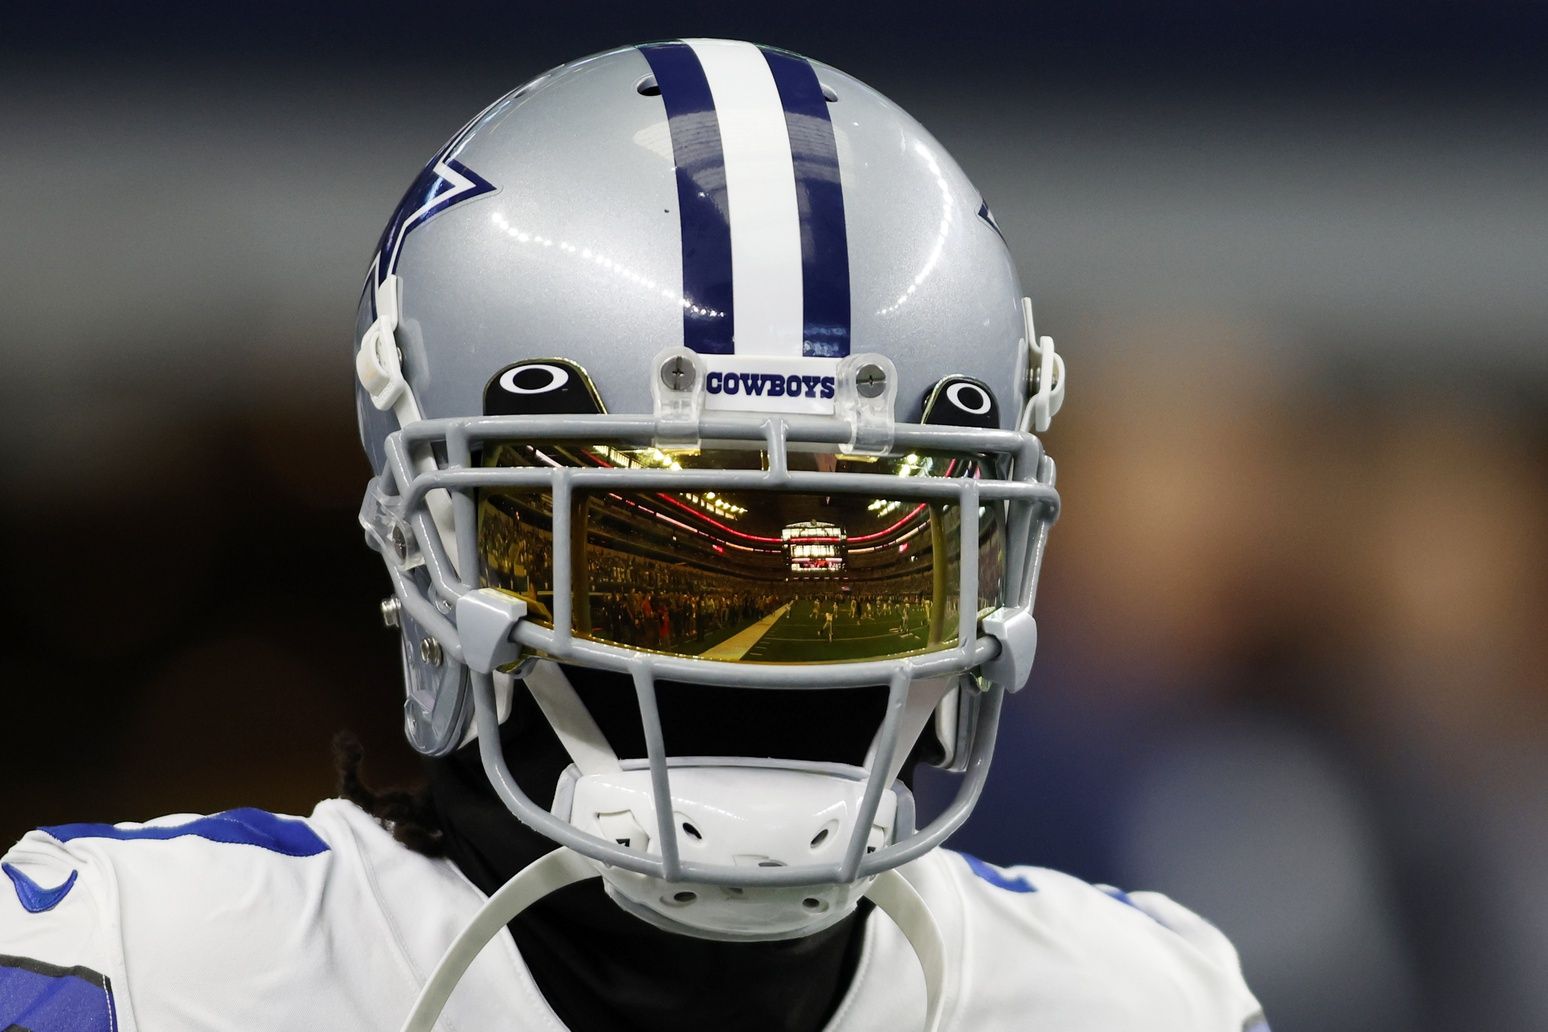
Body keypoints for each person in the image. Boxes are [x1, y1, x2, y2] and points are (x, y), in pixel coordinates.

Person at [0, 39, 1266, 1031]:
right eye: (646, 553)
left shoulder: (1141, 1004)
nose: (757, 665)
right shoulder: (127, 976)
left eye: (863, 553)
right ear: (427, 543)